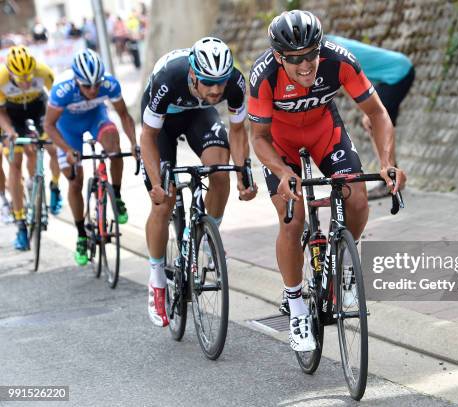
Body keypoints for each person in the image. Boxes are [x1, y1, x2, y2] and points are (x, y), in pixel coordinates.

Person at [248, 10, 406, 351]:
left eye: (311, 55)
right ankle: (297, 306)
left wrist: (387, 163)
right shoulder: (263, 76)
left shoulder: (338, 60)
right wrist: (282, 172)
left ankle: (344, 262)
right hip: (280, 143)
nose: (306, 66)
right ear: (279, 56)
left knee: (357, 198)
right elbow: (258, 138)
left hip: (324, 131)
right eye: (295, 59)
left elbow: (377, 113)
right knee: (292, 219)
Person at [140, 37, 257, 327]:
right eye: (208, 82)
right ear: (193, 74)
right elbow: (148, 137)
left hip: (199, 116)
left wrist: (243, 172)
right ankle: (156, 279)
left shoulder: (233, 83)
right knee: (163, 199)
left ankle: (208, 237)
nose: (216, 89)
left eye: (220, 82)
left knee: (220, 173)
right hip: (162, 125)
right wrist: (156, 182)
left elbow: (238, 130)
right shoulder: (169, 78)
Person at [44, 49, 138, 265]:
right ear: (77, 80)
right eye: (87, 86)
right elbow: (48, 125)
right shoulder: (62, 90)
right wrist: (67, 150)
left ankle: (116, 195)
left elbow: (124, 115)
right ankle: (81, 235)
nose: (94, 90)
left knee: (114, 145)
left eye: (97, 84)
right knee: (75, 181)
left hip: (96, 118)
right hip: (67, 129)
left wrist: (134, 144)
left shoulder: (109, 84)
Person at [325, 34, 414, 200]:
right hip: (394, 73)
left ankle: (389, 178)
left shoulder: (331, 52)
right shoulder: (329, 44)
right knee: (380, 123)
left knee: (373, 122)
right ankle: (393, 178)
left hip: (398, 74)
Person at [0, 45, 63, 250]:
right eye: (21, 79)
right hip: (12, 115)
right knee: (14, 162)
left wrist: (53, 129)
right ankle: (20, 225)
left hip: (39, 109)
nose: (26, 82)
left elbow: (57, 101)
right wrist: (10, 132)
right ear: (10, 73)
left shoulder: (44, 72)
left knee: (52, 148)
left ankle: (54, 186)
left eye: (29, 77)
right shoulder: (1, 79)